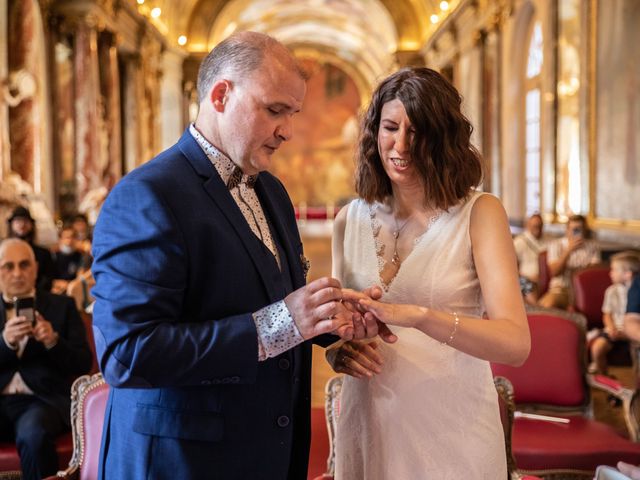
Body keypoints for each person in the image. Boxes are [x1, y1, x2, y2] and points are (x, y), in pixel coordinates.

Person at [91, 31, 387, 480]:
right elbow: (127, 354)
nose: (287, 130)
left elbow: (270, 301)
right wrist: (282, 323)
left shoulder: (271, 190)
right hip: (180, 461)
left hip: (265, 453)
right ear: (221, 94)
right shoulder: (146, 195)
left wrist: (326, 323)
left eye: (293, 113)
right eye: (274, 110)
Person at [326, 67, 530, 479]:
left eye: (416, 132)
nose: (400, 145)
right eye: (390, 127)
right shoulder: (348, 219)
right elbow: (336, 329)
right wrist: (338, 351)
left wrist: (419, 316)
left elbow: (516, 344)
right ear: (374, 132)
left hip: (453, 429)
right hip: (370, 424)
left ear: (443, 137)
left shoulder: (480, 213)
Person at [0, 238, 92, 479]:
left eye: (24, 265)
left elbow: (83, 363)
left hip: (42, 401)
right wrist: (5, 343)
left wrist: (53, 341)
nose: (17, 273)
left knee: (33, 436)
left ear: (36, 268)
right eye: (8, 266)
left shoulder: (63, 306)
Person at [589, 252, 640, 374]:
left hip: (633, 332)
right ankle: (606, 380)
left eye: (614, 270)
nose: (610, 273)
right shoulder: (611, 291)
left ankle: (636, 385)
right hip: (614, 329)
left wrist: (627, 333)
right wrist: (611, 328)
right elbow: (607, 314)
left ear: (627, 274)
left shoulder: (637, 291)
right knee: (597, 348)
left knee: (636, 352)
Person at [538, 214, 601, 309]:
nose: (575, 232)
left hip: (584, 291)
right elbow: (554, 272)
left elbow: (594, 273)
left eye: (579, 229)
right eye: (573, 229)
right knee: (546, 306)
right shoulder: (556, 245)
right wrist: (568, 250)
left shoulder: (592, 246)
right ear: (567, 230)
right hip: (561, 289)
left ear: (584, 230)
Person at [6, 207, 55, 291]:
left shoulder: (43, 253)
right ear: (11, 225)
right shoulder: (3, 252)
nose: (22, 224)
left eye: (25, 221)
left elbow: (48, 280)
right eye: (18, 221)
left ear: (31, 225)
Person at [513, 213, 547, 303]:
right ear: (528, 226)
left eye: (540, 226)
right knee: (524, 283)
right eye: (535, 226)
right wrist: (529, 277)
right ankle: (536, 308)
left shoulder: (546, 241)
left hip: (542, 280)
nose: (538, 229)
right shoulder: (519, 242)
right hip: (524, 279)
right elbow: (512, 267)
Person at [51, 225, 84, 294]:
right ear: (60, 239)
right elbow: (50, 278)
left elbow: (80, 276)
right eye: (66, 237)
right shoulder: (53, 256)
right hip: (57, 289)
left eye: (73, 237)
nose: (70, 240)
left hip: (74, 289)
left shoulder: (80, 256)